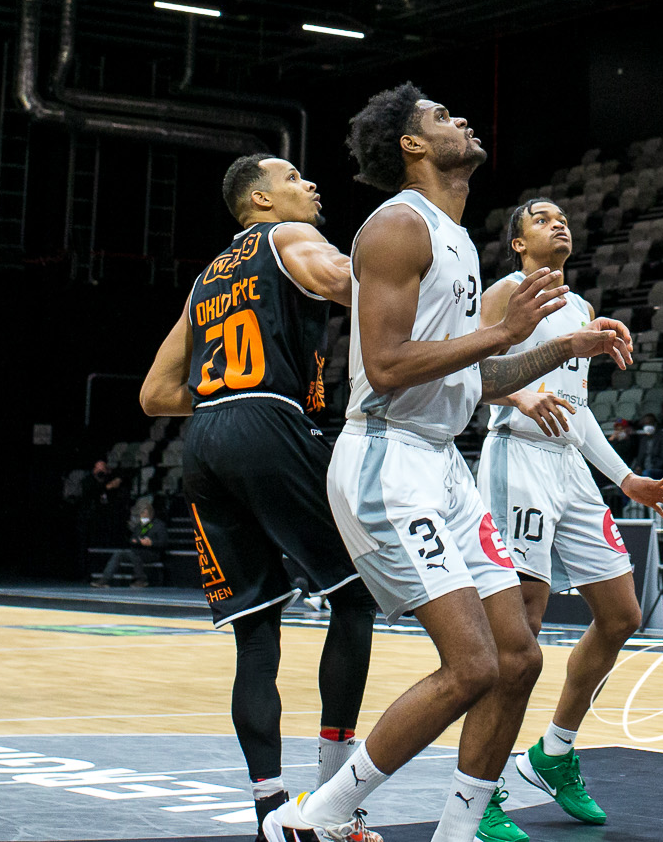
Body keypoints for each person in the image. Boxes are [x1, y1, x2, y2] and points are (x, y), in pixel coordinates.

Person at [261, 84, 629, 842]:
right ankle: (319, 816)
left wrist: (563, 346)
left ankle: (457, 829)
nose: (458, 118)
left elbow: (470, 381)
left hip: (441, 462)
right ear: (412, 146)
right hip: (385, 459)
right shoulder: (398, 225)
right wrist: (505, 333)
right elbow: (390, 365)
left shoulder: (456, 235)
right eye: (438, 116)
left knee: (518, 655)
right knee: (470, 665)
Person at [138, 154, 382, 840]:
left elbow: (155, 394)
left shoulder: (206, 278)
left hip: (206, 441)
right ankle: (337, 804)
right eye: (296, 177)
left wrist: (222, 397)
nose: (312, 183)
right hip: (268, 422)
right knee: (356, 593)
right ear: (262, 199)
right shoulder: (289, 238)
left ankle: (271, 809)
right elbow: (351, 281)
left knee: (256, 630)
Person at [477, 198, 663, 828]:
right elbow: (477, 372)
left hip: (569, 469)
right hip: (517, 459)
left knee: (622, 614)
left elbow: (578, 405)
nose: (558, 223)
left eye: (564, 217)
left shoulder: (581, 310)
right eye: (542, 218)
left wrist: (626, 479)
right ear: (518, 243)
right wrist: (521, 393)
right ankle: (480, 786)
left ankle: (555, 754)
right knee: (524, 627)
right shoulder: (503, 295)